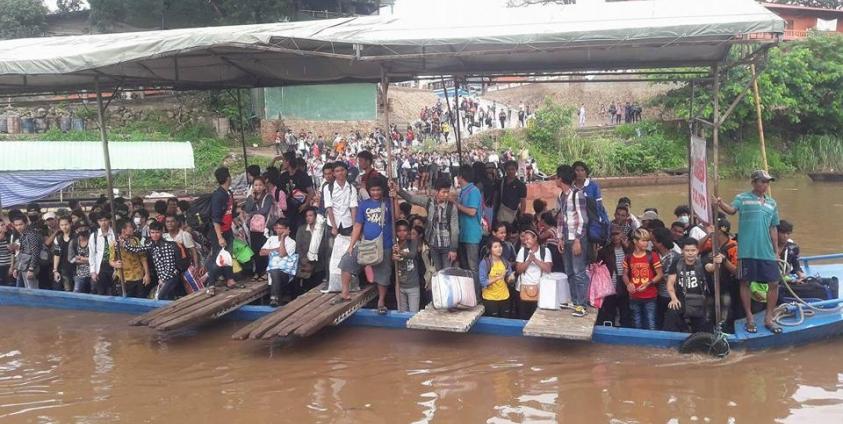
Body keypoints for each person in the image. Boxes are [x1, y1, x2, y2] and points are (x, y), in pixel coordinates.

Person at [716, 169, 782, 334]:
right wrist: (719, 203)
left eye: (767, 182)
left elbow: (773, 228)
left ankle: (768, 317)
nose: (765, 185)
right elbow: (731, 210)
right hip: (747, 250)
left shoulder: (772, 203)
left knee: (773, 283)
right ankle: (749, 317)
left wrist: (776, 251)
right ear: (753, 182)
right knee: (745, 282)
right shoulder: (742, 198)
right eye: (762, 181)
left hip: (766, 251)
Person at [335, 175, 394, 315]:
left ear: (382, 190)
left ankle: (381, 301)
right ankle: (345, 293)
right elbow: (357, 225)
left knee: (383, 274)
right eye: (373, 190)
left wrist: (394, 198)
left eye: (378, 190)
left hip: (384, 244)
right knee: (346, 261)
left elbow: (396, 216)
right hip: (366, 244)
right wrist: (351, 245)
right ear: (369, 190)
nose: (375, 193)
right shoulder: (364, 205)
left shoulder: (388, 202)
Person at [396, 177, 458, 272]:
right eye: (443, 192)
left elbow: (455, 228)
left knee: (447, 274)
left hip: (447, 247)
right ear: (436, 192)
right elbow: (411, 198)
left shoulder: (451, 207)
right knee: (436, 273)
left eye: (447, 192)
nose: (446, 195)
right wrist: (398, 190)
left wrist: (453, 249)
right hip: (433, 245)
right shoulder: (429, 202)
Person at [555, 165, 590, 318]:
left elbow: (583, 220)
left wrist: (577, 240)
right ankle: (575, 301)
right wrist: (560, 238)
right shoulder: (561, 196)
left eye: (556, 177)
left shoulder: (577, 195)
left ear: (560, 178)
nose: (555, 179)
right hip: (566, 239)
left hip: (577, 239)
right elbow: (561, 219)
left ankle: (581, 305)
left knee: (579, 272)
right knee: (569, 271)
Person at [122, 221, 181, 300]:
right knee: (168, 298)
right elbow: (138, 249)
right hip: (163, 278)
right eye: (152, 232)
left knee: (160, 297)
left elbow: (170, 267)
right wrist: (124, 244)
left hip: (170, 277)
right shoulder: (151, 244)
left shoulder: (166, 246)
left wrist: (162, 279)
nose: (155, 235)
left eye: (157, 232)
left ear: (162, 232)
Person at [324, 162, 359, 292]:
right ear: (334, 173)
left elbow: (353, 207)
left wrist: (355, 225)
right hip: (333, 223)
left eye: (342, 170)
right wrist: (334, 227)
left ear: (346, 171)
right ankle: (330, 281)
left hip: (347, 223)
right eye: (337, 171)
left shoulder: (351, 188)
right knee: (331, 252)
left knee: (348, 253)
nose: (340, 173)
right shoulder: (328, 188)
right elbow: (329, 208)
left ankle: (350, 282)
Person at [664, 238, 712, 333]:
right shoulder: (677, 263)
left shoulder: (703, 262)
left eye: (693, 250)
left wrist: (716, 263)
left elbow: (710, 268)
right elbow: (670, 283)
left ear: (697, 251)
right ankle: (669, 342)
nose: (690, 253)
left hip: (699, 301)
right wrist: (673, 298)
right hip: (681, 300)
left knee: (704, 327)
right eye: (687, 250)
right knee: (671, 313)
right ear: (682, 251)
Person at [622, 229, 663, 330]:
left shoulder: (652, 255)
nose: (646, 243)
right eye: (643, 240)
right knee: (636, 323)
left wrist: (648, 283)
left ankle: (650, 345)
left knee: (651, 323)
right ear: (635, 241)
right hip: (634, 296)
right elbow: (624, 274)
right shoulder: (628, 257)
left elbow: (660, 274)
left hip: (650, 296)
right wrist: (628, 284)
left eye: (647, 240)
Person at [205, 167, 238, 291]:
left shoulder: (228, 193)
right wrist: (219, 237)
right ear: (228, 178)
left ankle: (230, 278)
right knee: (217, 257)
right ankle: (211, 283)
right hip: (218, 231)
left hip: (228, 229)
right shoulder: (218, 195)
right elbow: (215, 218)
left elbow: (229, 212)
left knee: (228, 255)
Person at [453, 165, 483, 289]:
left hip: (472, 235)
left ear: (461, 177)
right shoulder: (463, 191)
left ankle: (476, 295)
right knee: (465, 267)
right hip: (464, 234)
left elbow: (472, 212)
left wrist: (456, 204)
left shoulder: (473, 191)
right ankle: (468, 293)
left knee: (472, 267)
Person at [515, 228, 552, 320]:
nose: (525, 241)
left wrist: (535, 260)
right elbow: (518, 270)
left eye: (528, 239)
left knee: (538, 317)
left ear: (535, 238)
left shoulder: (545, 251)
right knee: (523, 317)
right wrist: (528, 261)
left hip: (540, 289)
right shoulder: (522, 251)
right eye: (524, 238)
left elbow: (548, 269)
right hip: (523, 289)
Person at [261, 218, 297, 307]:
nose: (279, 230)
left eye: (281, 228)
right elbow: (261, 252)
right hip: (272, 271)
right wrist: (275, 249)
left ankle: (274, 297)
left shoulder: (292, 242)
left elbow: (281, 254)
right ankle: (276, 299)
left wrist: (283, 239)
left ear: (287, 229)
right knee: (274, 271)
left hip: (285, 272)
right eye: (277, 228)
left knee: (275, 271)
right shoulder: (271, 239)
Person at [109, 220, 150, 298]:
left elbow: (143, 257)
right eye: (130, 227)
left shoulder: (135, 240)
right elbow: (111, 260)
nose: (132, 229)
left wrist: (147, 274)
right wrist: (115, 264)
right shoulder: (114, 243)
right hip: (124, 278)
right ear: (123, 229)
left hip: (139, 276)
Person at [243, 176, 273, 281]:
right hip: (254, 228)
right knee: (255, 249)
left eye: (260, 185)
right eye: (255, 185)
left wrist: (252, 213)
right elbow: (247, 209)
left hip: (265, 227)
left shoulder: (268, 197)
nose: (258, 187)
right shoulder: (251, 197)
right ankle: (258, 271)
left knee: (264, 248)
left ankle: (265, 271)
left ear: (264, 186)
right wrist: (251, 198)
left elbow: (264, 211)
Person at [279, 152, 315, 235]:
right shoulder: (283, 176)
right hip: (288, 211)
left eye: (283, 160)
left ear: (288, 161)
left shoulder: (302, 175)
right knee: (289, 233)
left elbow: (311, 192)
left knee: (300, 233)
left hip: (300, 211)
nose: (282, 163)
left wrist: (305, 204)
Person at [652, 227, 679, 329]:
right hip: (656, 293)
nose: (651, 243)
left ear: (660, 243)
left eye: (653, 241)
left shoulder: (674, 257)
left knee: (667, 322)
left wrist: (658, 275)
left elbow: (670, 279)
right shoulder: (654, 255)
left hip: (668, 295)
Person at [479, 238, 515, 318]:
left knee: (505, 321)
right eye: (495, 247)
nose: (499, 249)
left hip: (505, 296)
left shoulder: (505, 262)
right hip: (490, 298)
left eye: (500, 246)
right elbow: (483, 282)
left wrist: (511, 278)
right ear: (490, 249)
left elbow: (509, 279)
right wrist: (498, 278)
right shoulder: (485, 263)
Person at [393, 220, 420, 313]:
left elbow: (412, 254)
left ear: (408, 232)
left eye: (404, 230)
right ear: (396, 232)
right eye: (399, 231)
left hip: (413, 285)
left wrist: (399, 251)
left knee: (413, 315)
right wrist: (392, 257)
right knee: (401, 314)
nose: (402, 233)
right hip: (399, 286)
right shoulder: (393, 245)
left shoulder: (413, 242)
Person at [10, 214, 42, 289]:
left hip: (30, 267)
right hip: (24, 266)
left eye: (20, 224)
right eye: (16, 225)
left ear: (26, 223)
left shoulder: (32, 234)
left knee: (32, 292)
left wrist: (31, 269)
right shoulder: (23, 235)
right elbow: (21, 253)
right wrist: (17, 267)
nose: (18, 227)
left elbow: (35, 253)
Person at [88, 213, 115, 295]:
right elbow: (91, 254)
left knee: (112, 291)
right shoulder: (94, 235)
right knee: (101, 292)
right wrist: (93, 271)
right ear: (98, 222)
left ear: (109, 220)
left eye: (105, 220)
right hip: (101, 267)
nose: (103, 223)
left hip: (113, 265)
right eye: (101, 221)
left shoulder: (115, 234)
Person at [497, 161, 527, 226]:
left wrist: (521, 215)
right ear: (505, 170)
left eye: (513, 169)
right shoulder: (500, 182)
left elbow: (523, 202)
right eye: (508, 169)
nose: (510, 171)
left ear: (516, 170)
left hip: (513, 214)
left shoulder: (521, 185)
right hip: (499, 212)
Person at [51, 216, 74, 291]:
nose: (64, 227)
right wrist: (55, 270)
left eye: (66, 224)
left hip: (75, 269)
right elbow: (57, 254)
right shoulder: (58, 238)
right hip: (63, 268)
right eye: (62, 225)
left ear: (71, 224)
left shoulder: (76, 236)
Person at [67, 225, 92, 293]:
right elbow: (70, 259)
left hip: (93, 272)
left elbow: (97, 258)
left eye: (84, 235)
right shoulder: (73, 242)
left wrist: (81, 258)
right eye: (80, 235)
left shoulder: (92, 241)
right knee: (77, 290)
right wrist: (86, 260)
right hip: (79, 273)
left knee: (93, 291)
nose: (82, 237)